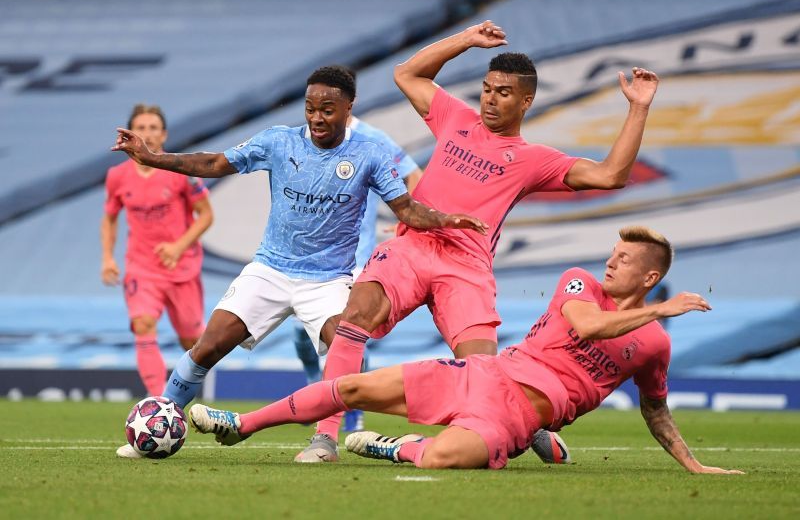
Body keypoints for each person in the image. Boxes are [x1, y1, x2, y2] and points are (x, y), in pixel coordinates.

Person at [298, 20, 661, 462]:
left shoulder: (533, 160)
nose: (490, 98)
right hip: (413, 248)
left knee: (485, 371)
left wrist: (638, 107)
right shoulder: (455, 117)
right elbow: (407, 74)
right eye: (487, 89)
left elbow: (611, 175)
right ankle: (325, 437)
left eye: (503, 93)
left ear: (526, 101)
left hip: (465, 268)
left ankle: (524, 428)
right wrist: (466, 40)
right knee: (353, 320)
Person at [111, 66, 487, 459]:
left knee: (346, 348)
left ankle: (325, 441)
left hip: (327, 281)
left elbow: (406, 209)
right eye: (310, 108)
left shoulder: (369, 154)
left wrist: (445, 220)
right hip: (270, 270)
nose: (317, 117)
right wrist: (152, 158)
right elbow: (215, 163)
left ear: (348, 107)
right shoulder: (279, 141)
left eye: (327, 109)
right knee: (207, 347)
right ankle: (158, 421)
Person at [189, 226, 743, 475]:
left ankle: (395, 447)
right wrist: (658, 309)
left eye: (625, 258)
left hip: (519, 415)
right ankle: (242, 425)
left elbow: (656, 410)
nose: (611, 261)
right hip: (483, 372)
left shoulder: (653, 344)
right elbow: (589, 326)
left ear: (650, 275)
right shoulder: (580, 284)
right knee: (355, 386)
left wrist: (693, 465)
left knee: (447, 458)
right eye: (614, 252)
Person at [291, 66, 423, 433]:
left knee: (347, 335)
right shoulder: (303, 137)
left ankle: (350, 408)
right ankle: (316, 385)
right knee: (301, 339)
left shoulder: (373, 139)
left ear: (348, 102)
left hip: (354, 260)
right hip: (307, 260)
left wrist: (407, 220)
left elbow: (415, 176)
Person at [101, 104, 213, 399]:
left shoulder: (181, 170)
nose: (147, 133)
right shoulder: (117, 176)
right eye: (140, 127)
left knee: (192, 339)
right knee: (143, 324)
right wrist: (108, 257)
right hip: (142, 267)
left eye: (153, 127)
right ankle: (157, 401)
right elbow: (110, 217)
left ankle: (187, 393)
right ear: (129, 133)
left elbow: (206, 215)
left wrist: (178, 246)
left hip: (182, 267)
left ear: (164, 134)